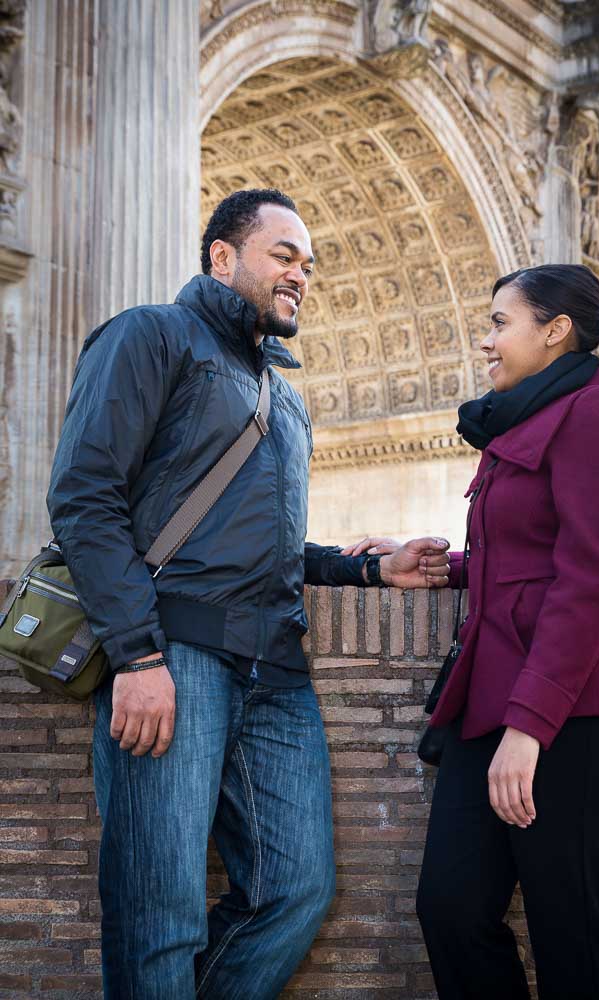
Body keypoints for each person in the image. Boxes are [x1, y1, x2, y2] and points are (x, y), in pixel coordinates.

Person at [46, 188, 450, 1000]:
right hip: (175, 655)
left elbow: (260, 548)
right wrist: (135, 653)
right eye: (283, 255)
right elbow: (86, 496)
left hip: (275, 674)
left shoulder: (286, 402)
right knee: (159, 916)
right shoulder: (148, 335)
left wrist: (367, 568)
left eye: (308, 264)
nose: (300, 273)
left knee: (293, 892)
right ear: (222, 258)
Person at [350, 264, 599, 999]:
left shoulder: (596, 412)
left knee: (567, 928)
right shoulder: (526, 413)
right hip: (491, 697)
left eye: (500, 321)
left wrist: (528, 729)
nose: (485, 340)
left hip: (570, 711)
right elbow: (526, 550)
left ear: (554, 330)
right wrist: (440, 566)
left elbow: (590, 579)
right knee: (450, 909)